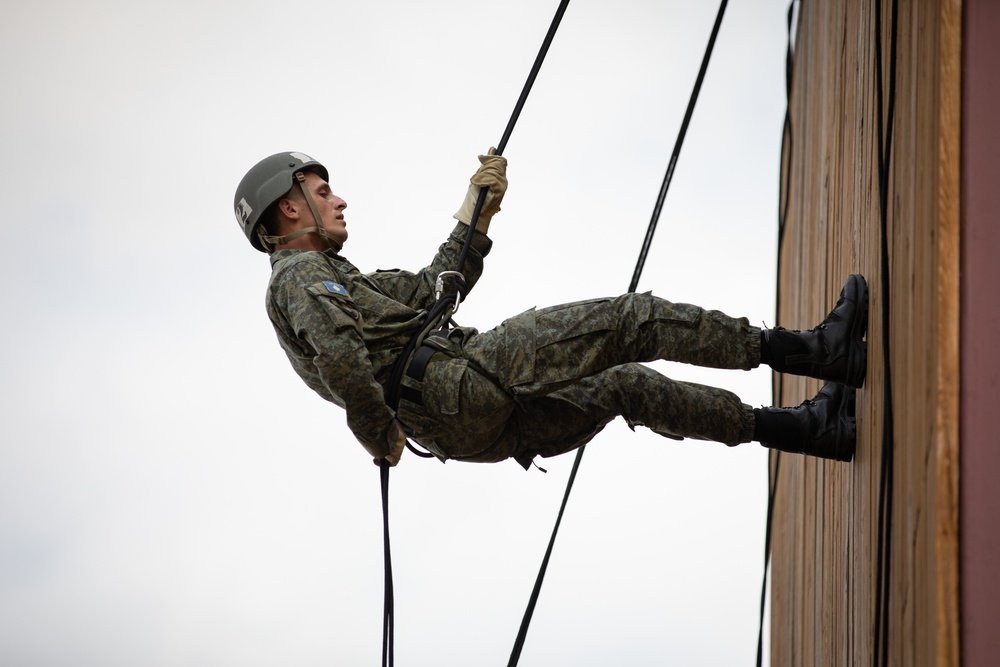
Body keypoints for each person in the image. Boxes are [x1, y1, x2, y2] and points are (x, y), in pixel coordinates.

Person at [234, 150, 867, 470]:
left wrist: (475, 211)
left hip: (460, 428)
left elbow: (435, 292)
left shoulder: (336, 279)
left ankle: (806, 431)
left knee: (624, 388)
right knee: (629, 323)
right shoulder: (300, 277)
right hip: (461, 379)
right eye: (322, 192)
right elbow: (344, 361)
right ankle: (817, 353)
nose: (338, 200)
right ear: (289, 209)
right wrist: (376, 433)